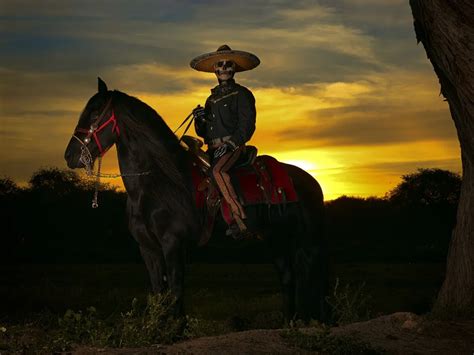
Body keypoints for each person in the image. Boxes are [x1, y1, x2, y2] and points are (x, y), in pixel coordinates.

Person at [190, 44, 260, 233]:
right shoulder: (210, 100)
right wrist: (200, 119)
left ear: (234, 68)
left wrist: (230, 145)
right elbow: (204, 133)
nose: (224, 68)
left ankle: (239, 219)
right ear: (214, 69)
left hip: (233, 147)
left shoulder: (243, 94)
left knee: (218, 172)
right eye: (220, 64)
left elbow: (247, 125)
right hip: (211, 149)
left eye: (229, 64)